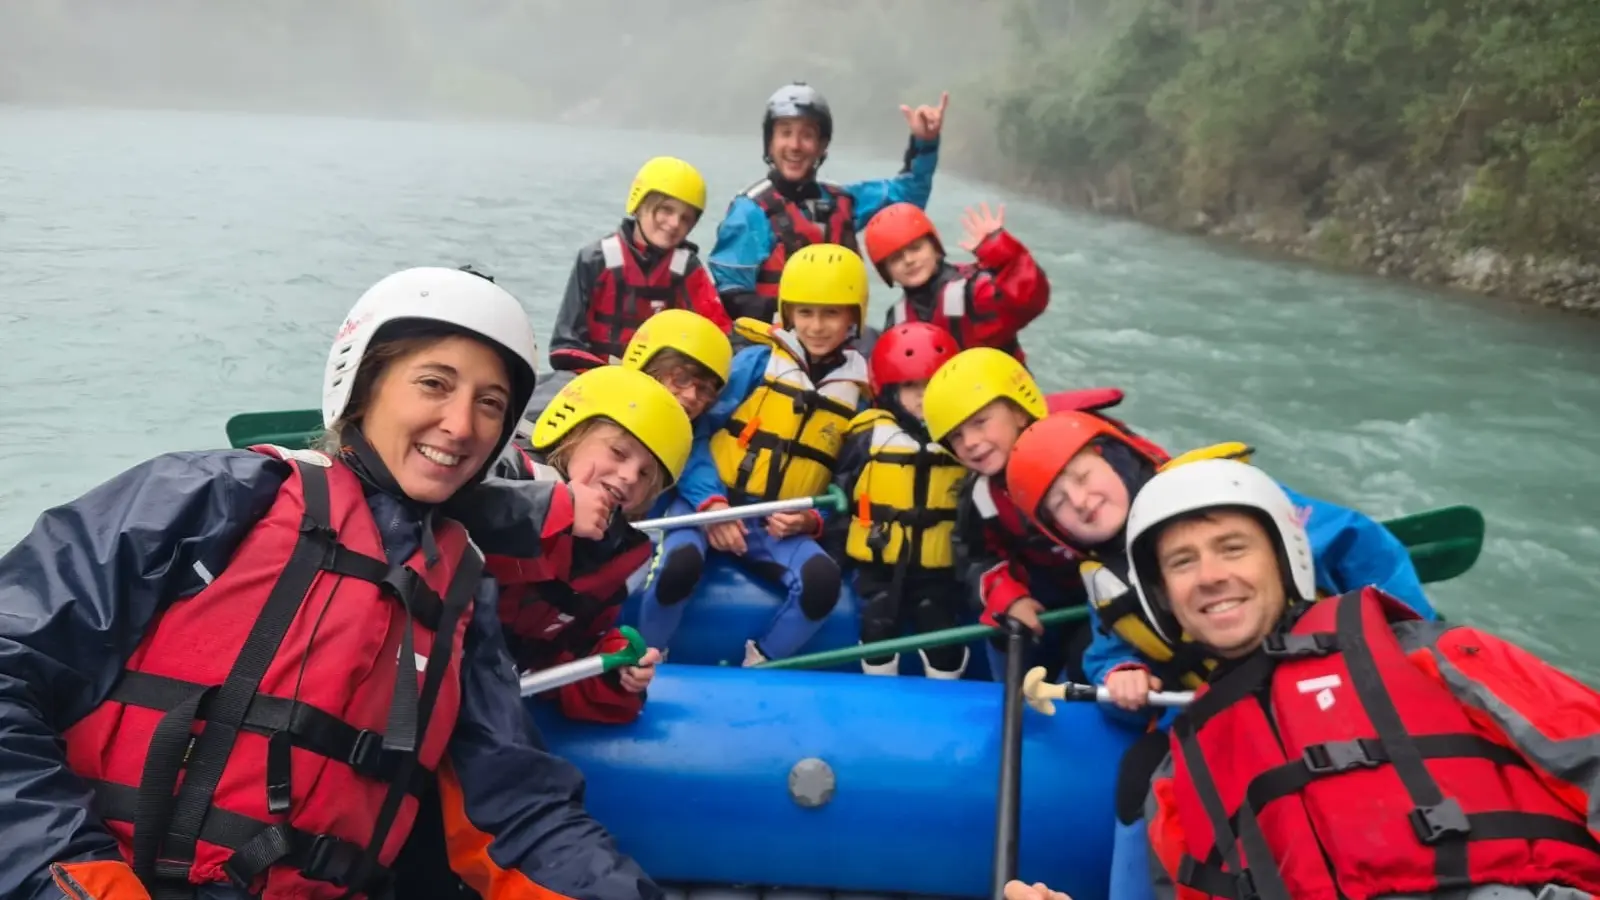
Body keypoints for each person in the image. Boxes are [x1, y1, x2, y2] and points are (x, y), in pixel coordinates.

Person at [0, 267, 659, 900]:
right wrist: (73, 883)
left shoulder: (462, 597)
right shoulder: (208, 499)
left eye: (490, 404)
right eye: (434, 383)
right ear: (365, 385)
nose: (462, 426)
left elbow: (517, 812)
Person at [1005, 413, 1438, 900]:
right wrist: (1123, 674)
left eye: (1084, 477)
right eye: (1059, 504)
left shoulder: (1225, 496)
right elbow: (1109, 651)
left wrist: (1406, 638)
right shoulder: (1102, 580)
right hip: (1212, 703)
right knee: (1139, 781)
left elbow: (1357, 545)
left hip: (1323, 679)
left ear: (1119, 460)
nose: (1081, 502)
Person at [1120, 460, 1600, 900]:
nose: (1210, 576)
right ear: (1162, 595)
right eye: (1182, 562)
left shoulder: (1429, 654)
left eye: (1233, 548)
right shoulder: (1175, 779)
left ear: (1283, 559)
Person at [642, 243, 872, 664]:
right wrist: (712, 506)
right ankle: (646, 658)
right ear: (788, 313)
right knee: (679, 567)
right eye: (805, 312)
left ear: (853, 316)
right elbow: (694, 435)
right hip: (709, 502)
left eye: (831, 313)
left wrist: (812, 519)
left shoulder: (858, 397)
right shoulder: (754, 365)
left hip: (776, 525)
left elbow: (848, 483)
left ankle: (760, 664)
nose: (816, 326)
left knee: (822, 583)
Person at [490, 366, 693, 724]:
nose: (629, 476)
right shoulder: (502, 472)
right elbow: (453, 511)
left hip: (490, 692)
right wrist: (555, 509)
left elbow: (565, 651)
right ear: (572, 433)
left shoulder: (617, 555)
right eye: (618, 452)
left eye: (646, 473)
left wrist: (612, 668)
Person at [708, 82, 947, 328]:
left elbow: (908, 196)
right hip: (774, 341)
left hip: (842, 341)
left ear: (821, 146)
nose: (795, 146)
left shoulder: (841, 201)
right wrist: (796, 323)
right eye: (785, 133)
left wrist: (925, 142)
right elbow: (731, 298)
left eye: (807, 135)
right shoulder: (749, 212)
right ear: (770, 142)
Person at [923, 347, 1092, 682]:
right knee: (1005, 628)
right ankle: (1012, 696)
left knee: (1085, 655)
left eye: (980, 422)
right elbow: (975, 557)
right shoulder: (982, 494)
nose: (971, 442)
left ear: (1018, 412)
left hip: (1107, 599)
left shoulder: (1088, 458)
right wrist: (1008, 597)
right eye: (956, 436)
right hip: (1049, 596)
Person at [830, 321, 969, 678]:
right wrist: (835, 557)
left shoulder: (963, 441)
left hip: (940, 569)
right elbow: (843, 492)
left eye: (931, 385)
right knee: (877, 622)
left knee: (938, 625)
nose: (922, 396)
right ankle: (881, 692)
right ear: (890, 390)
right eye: (911, 386)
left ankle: (946, 688)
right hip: (879, 563)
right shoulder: (868, 437)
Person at [548, 156, 731, 373]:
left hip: (657, 385)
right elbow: (566, 342)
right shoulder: (595, 260)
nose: (674, 223)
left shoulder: (687, 269)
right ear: (639, 204)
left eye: (685, 218)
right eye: (666, 210)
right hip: (595, 379)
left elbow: (719, 333)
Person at [861, 201, 1049, 361]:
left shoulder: (973, 289)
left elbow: (1028, 301)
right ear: (887, 273)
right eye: (895, 258)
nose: (909, 260)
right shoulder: (896, 319)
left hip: (998, 389)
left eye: (916, 248)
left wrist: (1000, 250)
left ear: (935, 248)